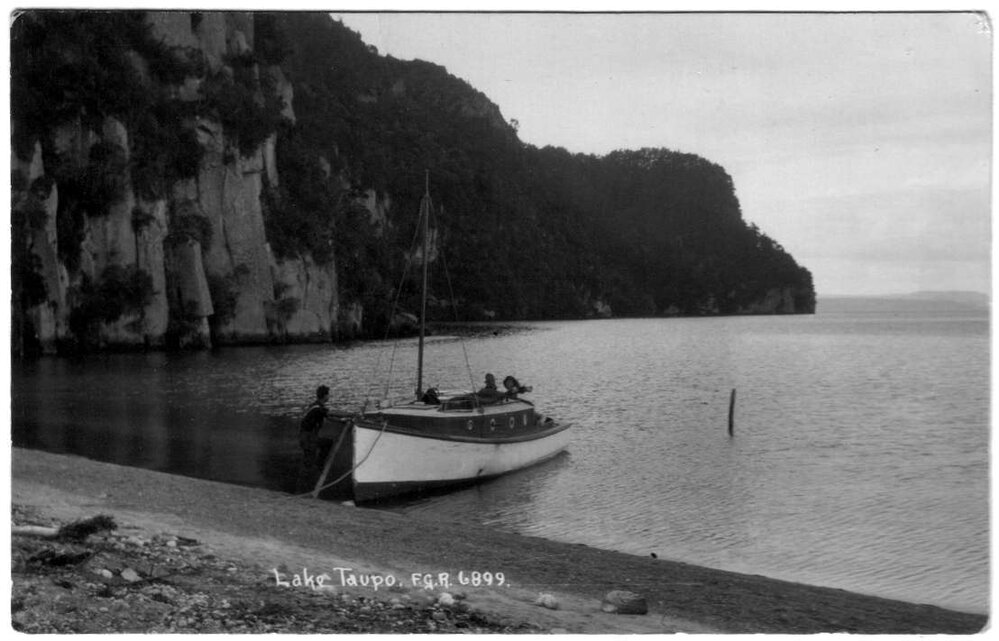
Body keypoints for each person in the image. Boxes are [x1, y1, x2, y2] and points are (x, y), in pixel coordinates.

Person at [299, 385, 331, 483]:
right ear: (324, 396)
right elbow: (331, 414)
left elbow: (328, 416)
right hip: (308, 438)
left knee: (308, 460)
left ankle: (316, 469)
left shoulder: (314, 406)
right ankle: (319, 466)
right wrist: (353, 415)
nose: (329, 396)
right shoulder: (318, 408)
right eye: (328, 394)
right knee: (309, 460)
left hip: (305, 437)